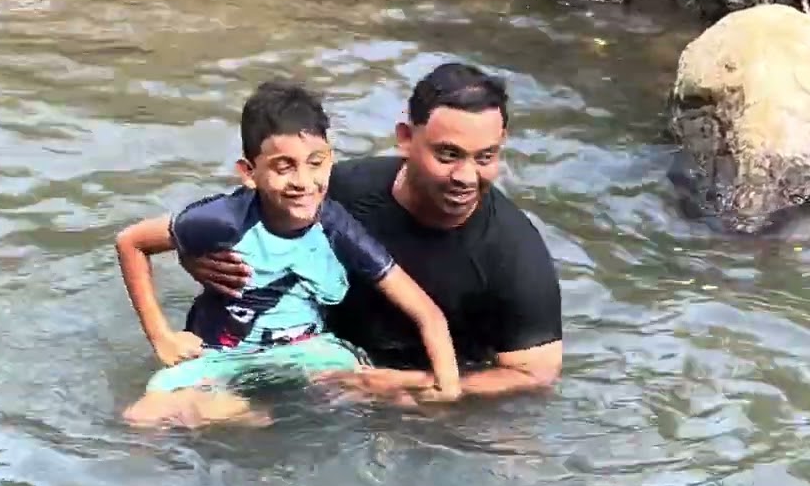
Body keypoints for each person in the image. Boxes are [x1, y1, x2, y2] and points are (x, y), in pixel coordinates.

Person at [181, 62, 564, 405]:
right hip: (308, 362)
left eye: (485, 157)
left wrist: (412, 385)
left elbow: (535, 374)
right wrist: (195, 259)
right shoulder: (338, 192)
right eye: (448, 154)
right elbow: (244, 222)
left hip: (418, 400)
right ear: (405, 138)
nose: (466, 176)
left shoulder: (514, 253)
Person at [114, 79, 463, 428]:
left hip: (309, 353)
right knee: (142, 418)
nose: (303, 181)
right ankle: (240, 413)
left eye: (316, 162)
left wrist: (447, 388)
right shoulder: (221, 220)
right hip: (222, 355)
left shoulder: (335, 226)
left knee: (395, 404)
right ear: (249, 173)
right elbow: (131, 241)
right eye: (284, 167)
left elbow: (426, 312)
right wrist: (162, 336)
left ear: (331, 159)